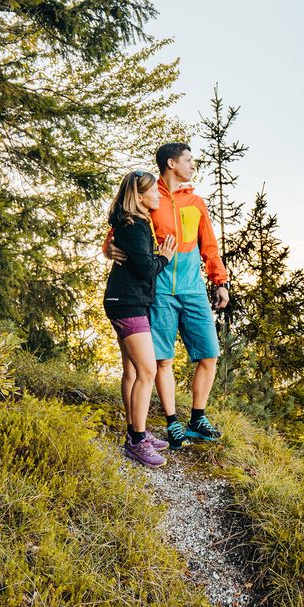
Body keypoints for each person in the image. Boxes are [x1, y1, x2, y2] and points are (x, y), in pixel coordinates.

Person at [105, 141, 229, 449]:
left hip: (193, 288)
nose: (193, 165)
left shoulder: (196, 203)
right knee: (162, 361)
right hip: (157, 290)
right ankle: (173, 424)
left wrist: (220, 281)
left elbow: (209, 246)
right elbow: (120, 229)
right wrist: (109, 248)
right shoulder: (150, 197)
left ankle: (198, 419)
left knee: (209, 354)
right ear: (171, 163)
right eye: (188, 160)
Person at [104, 170, 177, 467]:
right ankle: (136, 441)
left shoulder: (130, 224)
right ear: (140, 196)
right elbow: (146, 269)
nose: (158, 195)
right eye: (153, 192)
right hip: (128, 304)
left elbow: (131, 258)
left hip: (126, 301)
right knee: (147, 371)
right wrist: (164, 258)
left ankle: (137, 433)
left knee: (134, 372)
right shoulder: (134, 226)